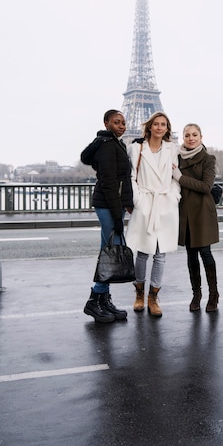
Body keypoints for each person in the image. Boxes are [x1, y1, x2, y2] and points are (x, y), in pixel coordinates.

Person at [126, 112, 181, 317]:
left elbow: (176, 176)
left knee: (160, 254)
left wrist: (174, 196)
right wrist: (139, 200)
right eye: (156, 124)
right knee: (142, 252)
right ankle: (139, 293)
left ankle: (153, 297)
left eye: (163, 125)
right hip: (146, 202)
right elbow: (131, 177)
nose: (159, 127)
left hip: (165, 203)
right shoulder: (136, 148)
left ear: (167, 129)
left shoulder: (172, 149)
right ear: (149, 127)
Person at [82, 110, 134, 323]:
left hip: (113, 205)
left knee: (108, 250)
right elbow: (110, 183)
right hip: (108, 205)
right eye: (116, 122)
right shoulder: (106, 145)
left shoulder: (115, 144)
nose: (121, 125)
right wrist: (117, 215)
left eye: (123, 122)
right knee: (109, 250)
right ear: (106, 123)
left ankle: (102, 299)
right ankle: (95, 300)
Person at [172, 123, 220, 312]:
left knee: (205, 253)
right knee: (191, 255)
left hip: (202, 212)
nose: (190, 138)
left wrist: (180, 177)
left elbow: (206, 186)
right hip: (184, 212)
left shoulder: (208, 159)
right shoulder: (177, 158)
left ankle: (214, 294)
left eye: (194, 135)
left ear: (201, 137)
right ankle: (196, 294)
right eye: (187, 135)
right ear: (183, 138)